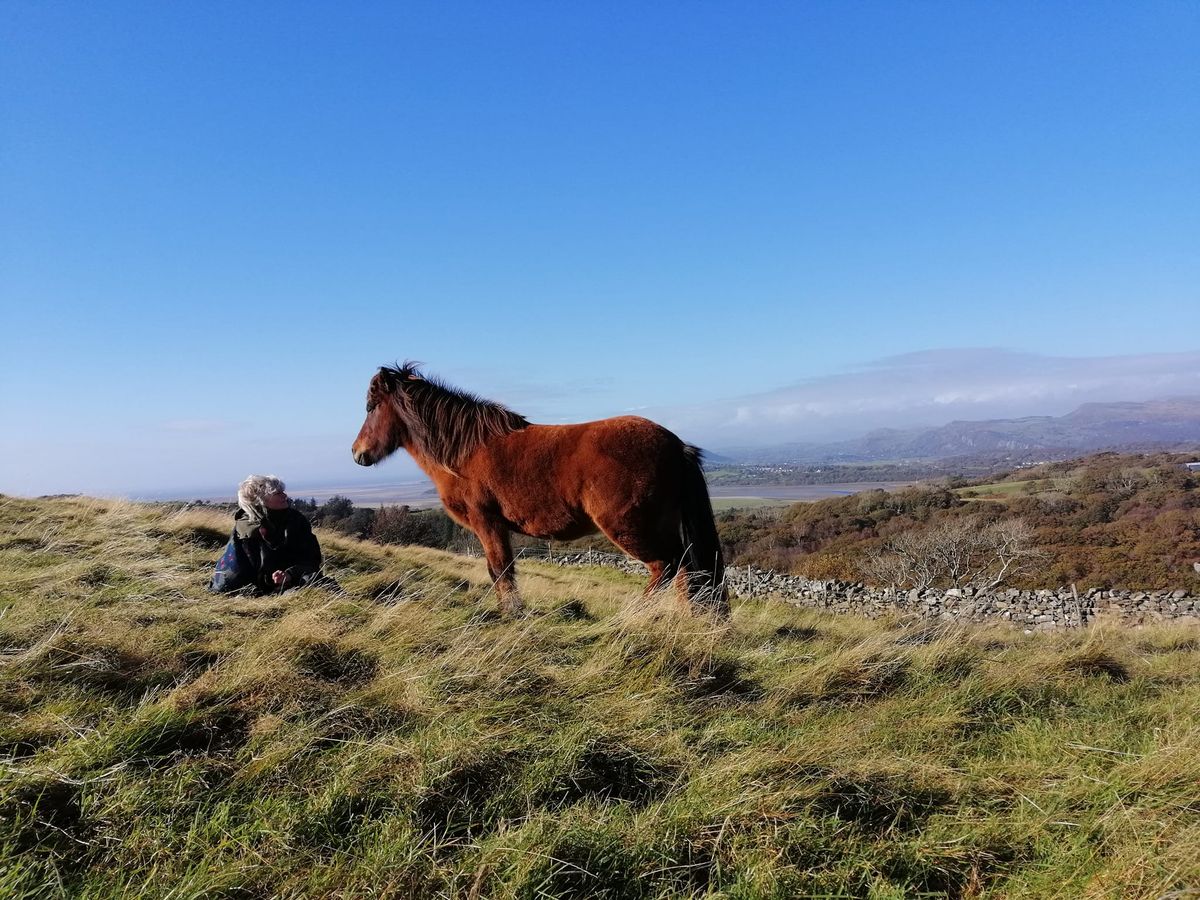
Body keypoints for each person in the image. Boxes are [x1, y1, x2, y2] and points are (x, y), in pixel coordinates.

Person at [209, 475, 323, 594]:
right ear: (260, 500)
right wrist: (279, 580)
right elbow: (253, 571)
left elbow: (311, 558)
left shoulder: (296, 520)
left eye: (283, 491)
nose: (285, 496)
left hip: (290, 579)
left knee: (319, 583)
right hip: (258, 590)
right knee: (315, 587)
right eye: (278, 493)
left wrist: (290, 574)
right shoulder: (248, 529)